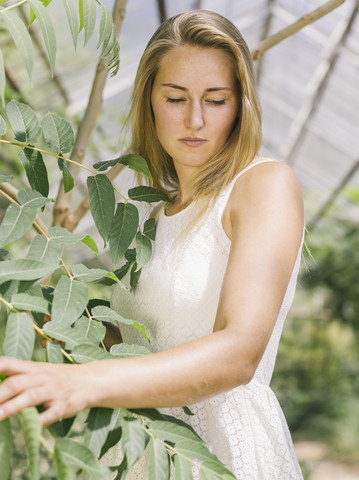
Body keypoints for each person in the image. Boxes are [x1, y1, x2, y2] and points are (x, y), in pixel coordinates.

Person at [0, 10, 304, 480]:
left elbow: (240, 351)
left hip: (221, 451)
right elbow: (134, 345)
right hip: (142, 445)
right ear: (149, 102)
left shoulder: (263, 185)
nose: (195, 119)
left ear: (241, 106)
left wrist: (80, 381)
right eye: (176, 98)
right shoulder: (143, 212)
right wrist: (42, 314)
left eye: (216, 100)